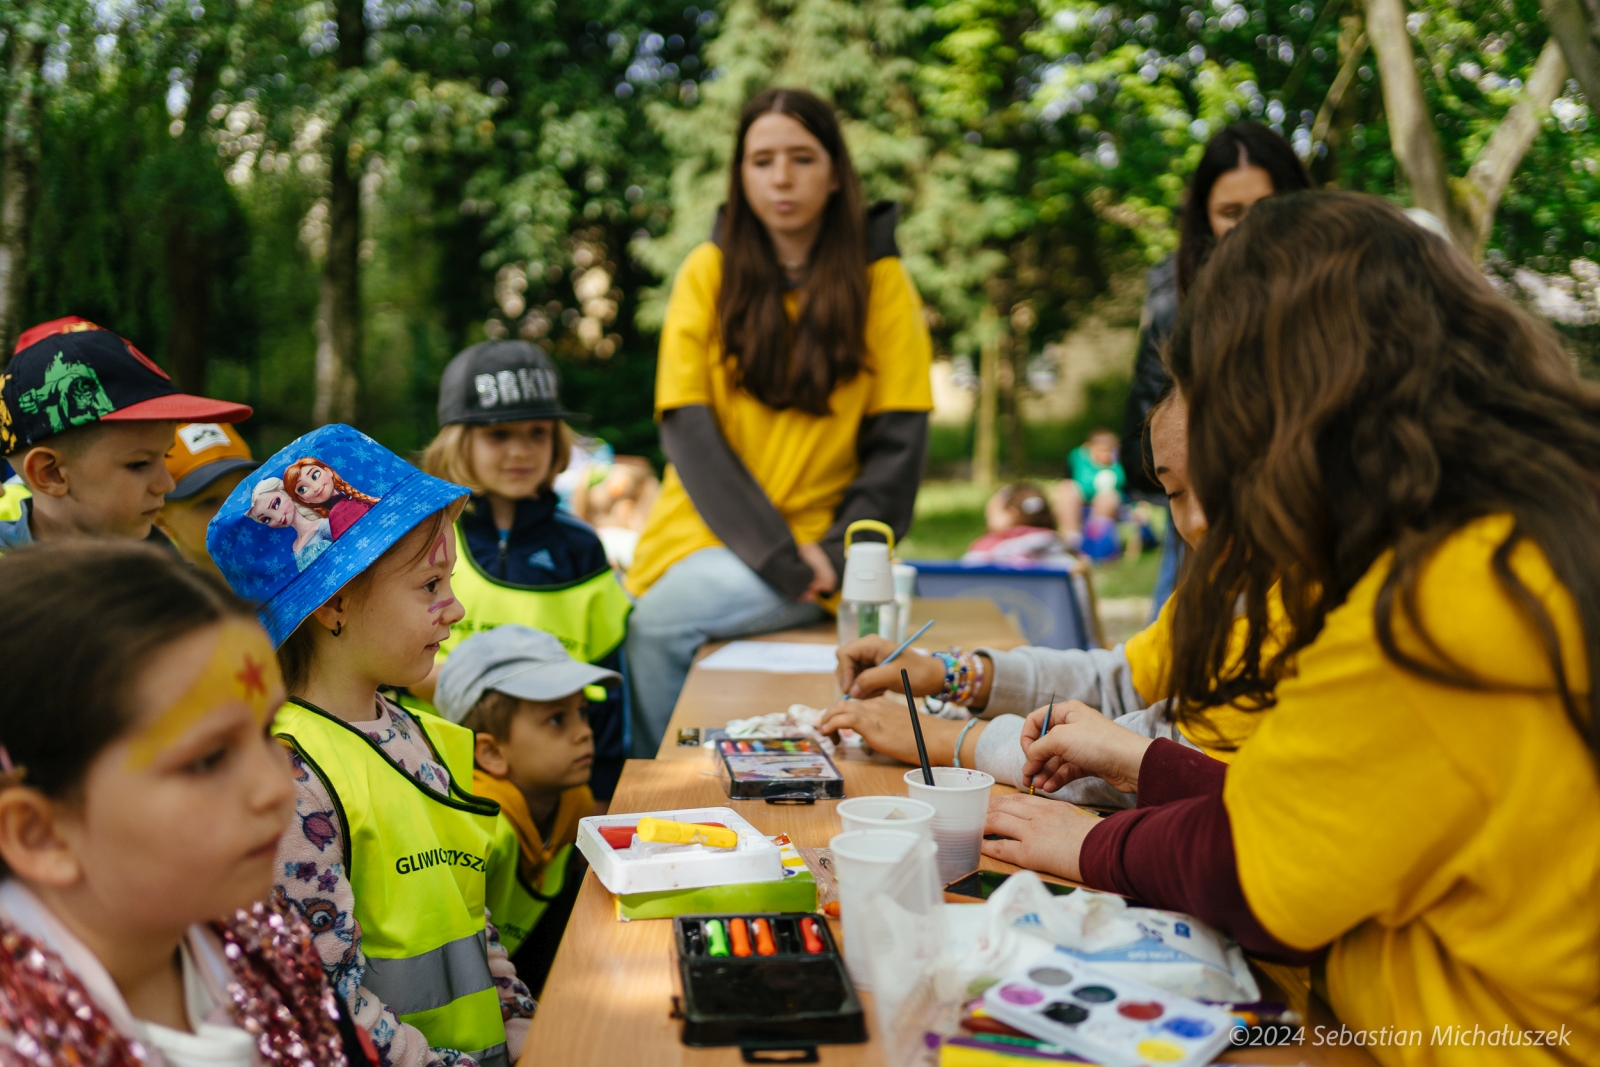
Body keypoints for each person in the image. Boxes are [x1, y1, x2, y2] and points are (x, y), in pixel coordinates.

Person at [987, 193, 1600, 1063]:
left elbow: (1256, 868)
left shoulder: (1438, 601)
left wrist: (1093, 843)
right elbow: (1326, 807)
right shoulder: (1525, 526)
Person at [209, 423, 535, 1067]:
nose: (456, 609)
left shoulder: (414, 730)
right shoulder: (293, 778)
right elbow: (329, 1000)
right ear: (335, 606)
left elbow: (472, 919)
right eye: (429, 587)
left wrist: (524, 1025)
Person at [625, 87, 933, 754]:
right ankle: (660, 787)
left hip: (824, 547)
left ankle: (659, 785)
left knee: (658, 625)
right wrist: (777, 556)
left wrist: (832, 554)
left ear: (835, 172)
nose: (782, 177)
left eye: (802, 157)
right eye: (762, 160)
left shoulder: (882, 280)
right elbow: (688, 427)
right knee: (655, 621)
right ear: (740, 175)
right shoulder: (707, 270)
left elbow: (899, 443)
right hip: (713, 536)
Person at [0, 541, 371, 1065]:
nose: (273, 787)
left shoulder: (268, 940)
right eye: (208, 760)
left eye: (268, 730)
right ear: (40, 834)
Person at [823, 388, 1258, 809]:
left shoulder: (1299, 606)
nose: (1199, 519)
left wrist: (946, 740)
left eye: (1220, 482)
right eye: (1174, 493)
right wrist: (947, 672)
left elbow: (1174, 761)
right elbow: (1122, 684)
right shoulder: (1223, 583)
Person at [419, 340, 632, 803]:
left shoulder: (581, 548)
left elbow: (609, 692)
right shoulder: (421, 539)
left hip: (557, 797)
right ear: (459, 440)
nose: (520, 451)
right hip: (435, 780)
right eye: (498, 435)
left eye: (537, 432)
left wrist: (601, 796)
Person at [1119, 123, 1311, 614]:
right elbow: (1140, 451)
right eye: (1231, 213)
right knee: (1173, 671)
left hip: (1305, 531)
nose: (1250, 227)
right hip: (1200, 545)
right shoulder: (1177, 306)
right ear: (1205, 220)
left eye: (1266, 208)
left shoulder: (1335, 301)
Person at [433, 624, 618, 994]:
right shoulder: (476, 831)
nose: (584, 732)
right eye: (556, 719)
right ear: (491, 753)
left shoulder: (574, 800)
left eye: (582, 712)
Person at [0, 316, 251, 552]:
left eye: (165, 457)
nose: (166, 484)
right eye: (139, 464)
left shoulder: (168, 577)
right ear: (50, 473)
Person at [156, 422, 262, 577]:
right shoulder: (152, 598)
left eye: (243, 493)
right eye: (209, 502)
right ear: (162, 522)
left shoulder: (299, 574)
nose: (237, 511)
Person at [1054, 427, 1128, 561]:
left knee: (1106, 499)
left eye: (1108, 450)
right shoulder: (1078, 456)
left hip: (1108, 501)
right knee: (1066, 488)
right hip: (1080, 497)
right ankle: (1071, 540)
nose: (1104, 454)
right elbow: (1071, 479)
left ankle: (1095, 543)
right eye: (1101, 450)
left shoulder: (1117, 463)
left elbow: (1122, 483)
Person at [963, 482, 1069, 563]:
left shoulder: (986, 551)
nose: (987, 516)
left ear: (1012, 513)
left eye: (992, 513)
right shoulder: (1057, 546)